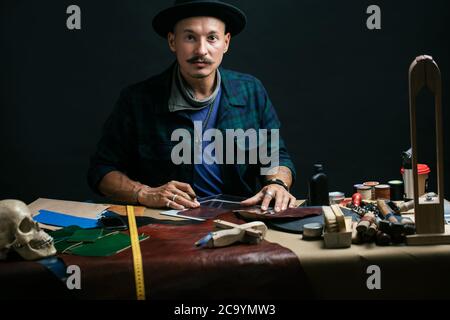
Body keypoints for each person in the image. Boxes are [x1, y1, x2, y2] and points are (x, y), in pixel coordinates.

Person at [88, 0, 297, 212]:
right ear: (172, 41)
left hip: (240, 222)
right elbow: (101, 170)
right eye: (190, 37)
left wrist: (277, 184)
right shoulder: (138, 99)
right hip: (164, 224)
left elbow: (275, 156)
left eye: (212, 38)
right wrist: (144, 192)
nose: (201, 50)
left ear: (226, 42)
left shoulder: (251, 91)